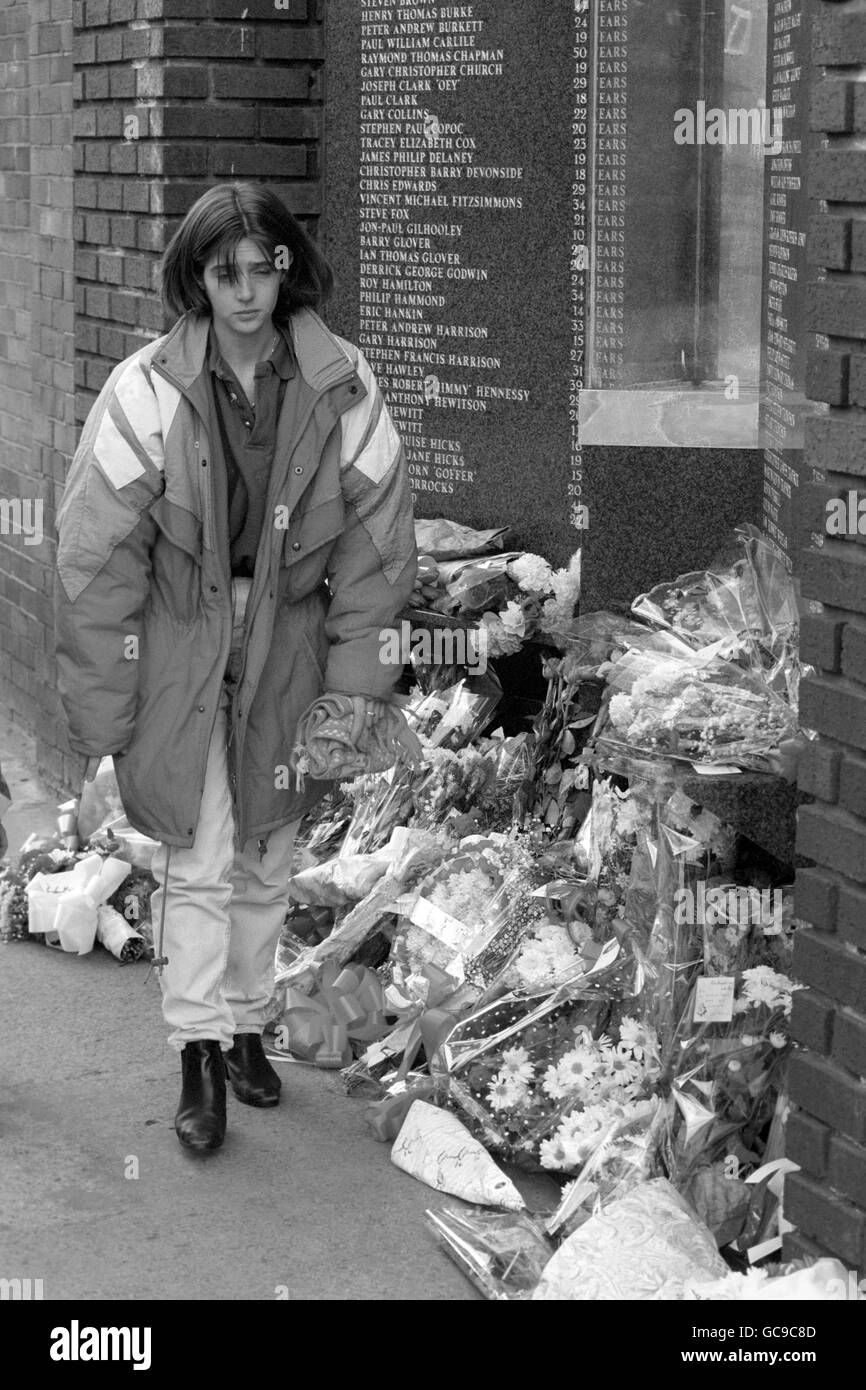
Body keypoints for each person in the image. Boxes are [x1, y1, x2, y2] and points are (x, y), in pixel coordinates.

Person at [54, 182, 417, 1152]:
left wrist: (352, 695)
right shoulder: (146, 389)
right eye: (226, 273)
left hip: (287, 640)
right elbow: (96, 559)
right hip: (179, 639)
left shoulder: (342, 381)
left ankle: (249, 1023)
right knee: (200, 856)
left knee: (268, 849)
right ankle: (197, 1053)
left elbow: (376, 551)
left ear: (290, 269)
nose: (247, 292)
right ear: (197, 278)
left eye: (266, 269)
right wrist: (104, 719)